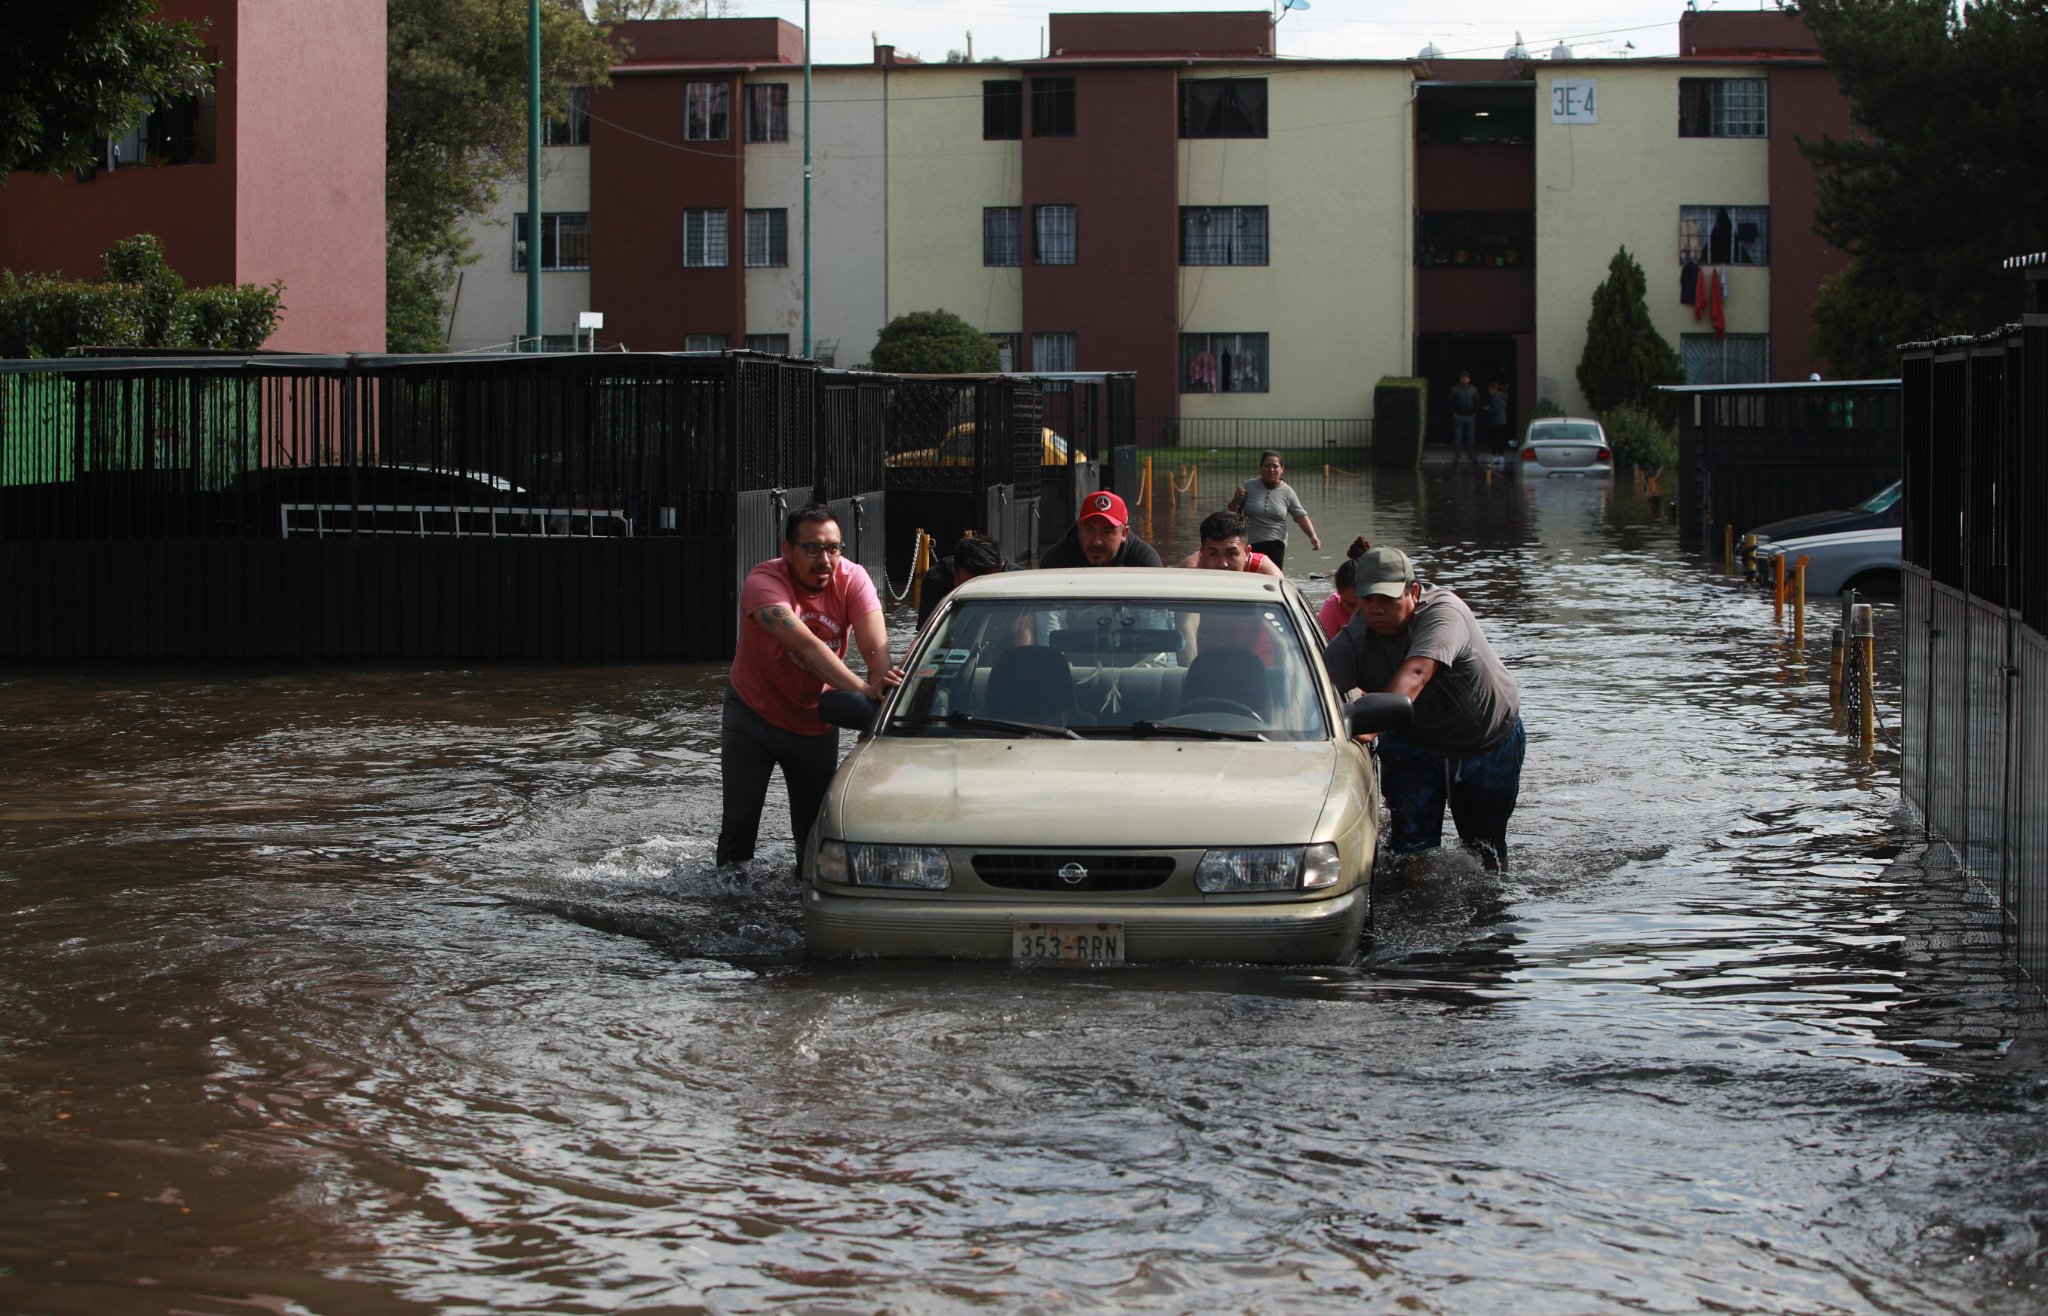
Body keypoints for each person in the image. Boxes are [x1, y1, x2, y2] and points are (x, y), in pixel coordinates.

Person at [718, 503, 902, 867]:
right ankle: (726, 910)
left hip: (815, 724)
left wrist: (879, 689)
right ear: (787, 550)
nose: (825, 559)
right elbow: (807, 646)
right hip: (751, 716)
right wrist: (859, 690)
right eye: (813, 548)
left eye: (833, 548)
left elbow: (877, 652)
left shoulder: (853, 579)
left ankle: (804, 909)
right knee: (739, 826)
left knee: (814, 836)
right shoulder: (762, 583)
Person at [1322, 545, 1524, 869]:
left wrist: (1364, 723)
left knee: (1483, 849)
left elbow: (1416, 673)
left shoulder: (1444, 613)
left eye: (1387, 600)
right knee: (1408, 851)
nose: (1376, 610)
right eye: (1368, 600)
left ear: (1413, 592)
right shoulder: (1356, 636)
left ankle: (1490, 917)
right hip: (1413, 741)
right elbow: (1316, 685)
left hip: (1485, 740)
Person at [1226, 451, 1321, 567]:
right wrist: (1236, 498)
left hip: (1276, 543)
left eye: (1275, 466)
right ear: (1261, 468)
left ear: (1282, 469)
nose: (1271, 469)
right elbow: (1232, 512)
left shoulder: (1287, 492)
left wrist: (1313, 536)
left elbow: (1300, 515)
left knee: (1272, 578)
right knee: (1252, 576)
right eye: (1267, 466)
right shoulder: (1249, 485)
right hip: (1251, 543)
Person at [1039, 491, 1162, 568]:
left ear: (1124, 534)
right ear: (1078, 530)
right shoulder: (1056, 561)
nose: (1096, 541)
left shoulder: (1143, 561)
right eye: (1089, 530)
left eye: (1107, 532)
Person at [917, 533, 1006, 629]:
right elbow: (926, 632)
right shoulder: (937, 580)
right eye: (967, 588)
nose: (973, 596)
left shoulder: (1018, 580)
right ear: (954, 571)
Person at [1176, 509, 1285, 576]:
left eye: (1231, 554)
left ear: (1247, 553)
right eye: (1213, 554)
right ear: (1202, 554)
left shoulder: (1265, 573)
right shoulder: (1190, 571)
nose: (1223, 564)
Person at [1317, 536, 1370, 639]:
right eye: (1350, 605)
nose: (1357, 612)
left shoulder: (1386, 610)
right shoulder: (1333, 606)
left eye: (1366, 601)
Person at [1448, 370, 1481, 464]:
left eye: (1466, 377)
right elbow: (1450, 401)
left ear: (1469, 379)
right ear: (1460, 379)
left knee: (1470, 438)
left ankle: (1471, 457)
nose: (1464, 379)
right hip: (1459, 416)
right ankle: (1457, 457)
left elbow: (1477, 401)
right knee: (1458, 438)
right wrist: (1454, 412)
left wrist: (1475, 412)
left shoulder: (1473, 389)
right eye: (1463, 377)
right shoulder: (1455, 389)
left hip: (1471, 417)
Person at [1486, 381, 1511, 457]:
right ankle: (1500, 455)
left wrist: (1489, 408)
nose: (1489, 392)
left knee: (1495, 439)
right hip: (1501, 420)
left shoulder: (1497, 397)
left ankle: (1496, 455)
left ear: (1494, 389)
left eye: (1490, 390)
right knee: (1499, 439)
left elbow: (1496, 409)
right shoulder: (1501, 396)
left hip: (1496, 421)